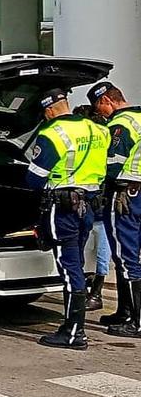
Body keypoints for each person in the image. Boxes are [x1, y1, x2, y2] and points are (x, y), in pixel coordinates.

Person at [25, 88, 110, 350]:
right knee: (77, 262)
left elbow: (35, 179)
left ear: (49, 110)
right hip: (90, 206)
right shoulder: (98, 129)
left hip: (63, 209)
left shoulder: (52, 134)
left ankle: (74, 331)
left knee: (68, 267)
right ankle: (72, 327)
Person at [89, 81, 141, 337]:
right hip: (138, 192)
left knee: (125, 257)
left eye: (99, 108)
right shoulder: (140, 118)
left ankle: (136, 322)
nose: (100, 114)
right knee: (131, 256)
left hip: (125, 195)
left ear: (106, 101)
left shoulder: (121, 124)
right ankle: (125, 311)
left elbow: (112, 164)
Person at [74, 104, 111, 310]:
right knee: (88, 254)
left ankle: (96, 294)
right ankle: (88, 292)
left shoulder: (100, 143)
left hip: (101, 211)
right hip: (90, 210)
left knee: (101, 257)